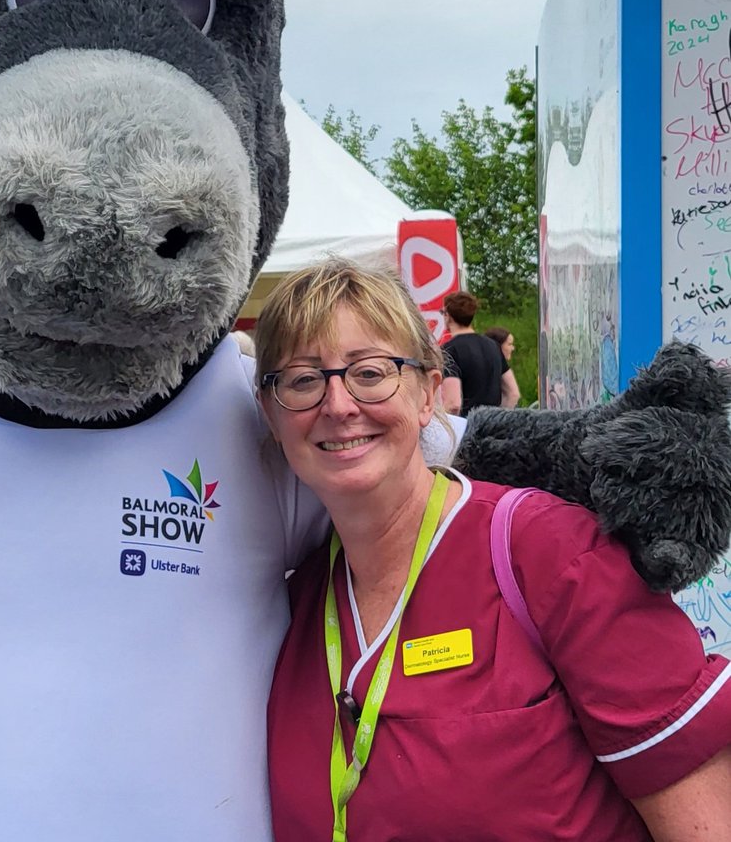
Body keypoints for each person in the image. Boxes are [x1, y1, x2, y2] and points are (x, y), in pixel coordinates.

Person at [256, 259, 731, 842]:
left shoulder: (549, 554)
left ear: (429, 394)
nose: (338, 404)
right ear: (271, 414)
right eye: (303, 380)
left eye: (370, 372)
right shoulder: (296, 604)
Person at [441, 290, 519, 412]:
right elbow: (513, 393)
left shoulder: (449, 350)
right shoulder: (493, 346)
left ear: (448, 315)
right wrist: (498, 418)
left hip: (467, 421)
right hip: (493, 421)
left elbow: (453, 403)